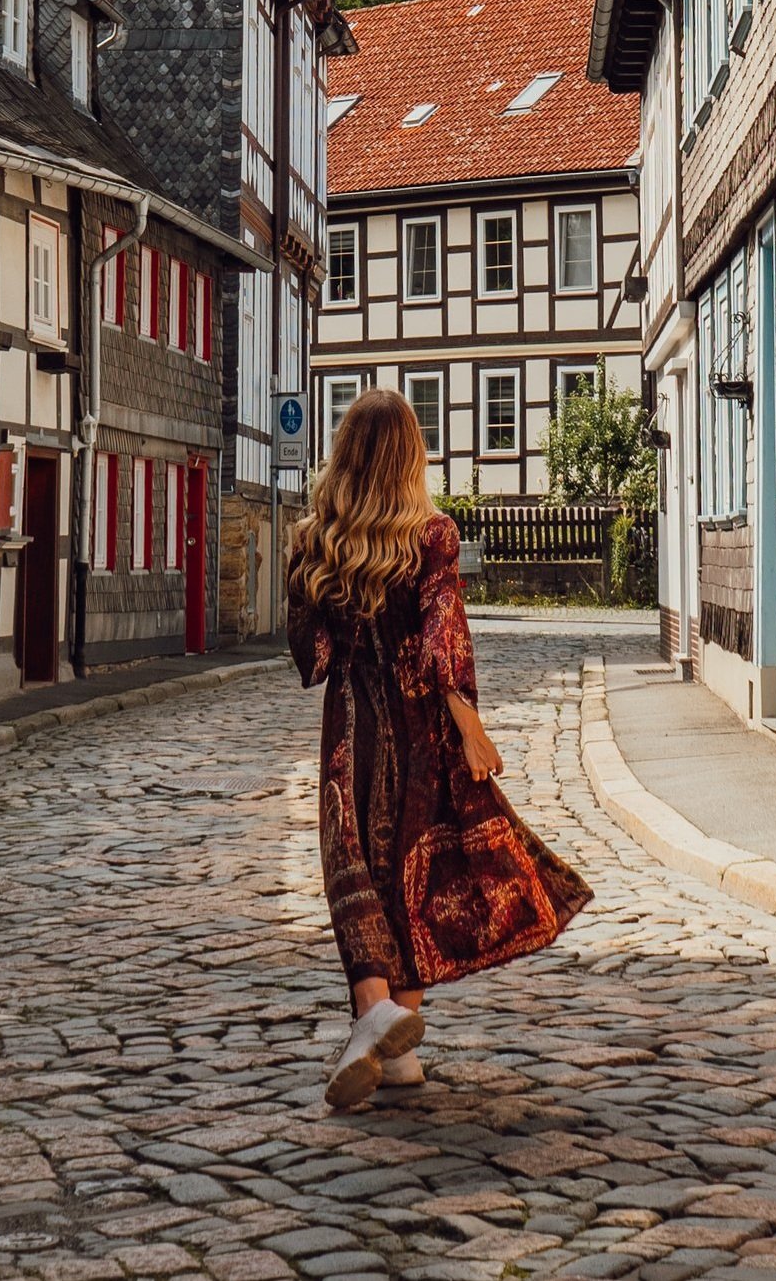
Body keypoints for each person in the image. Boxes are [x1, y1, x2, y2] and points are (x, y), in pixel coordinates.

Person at [285, 388, 591, 1109]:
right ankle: (396, 1038)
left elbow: (313, 658)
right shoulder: (433, 534)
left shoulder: (314, 540)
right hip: (420, 730)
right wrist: (465, 716)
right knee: (408, 873)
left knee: (352, 867)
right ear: (409, 455)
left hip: (352, 733)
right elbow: (441, 638)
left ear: (345, 454)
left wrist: (311, 572)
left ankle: (374, 1018)